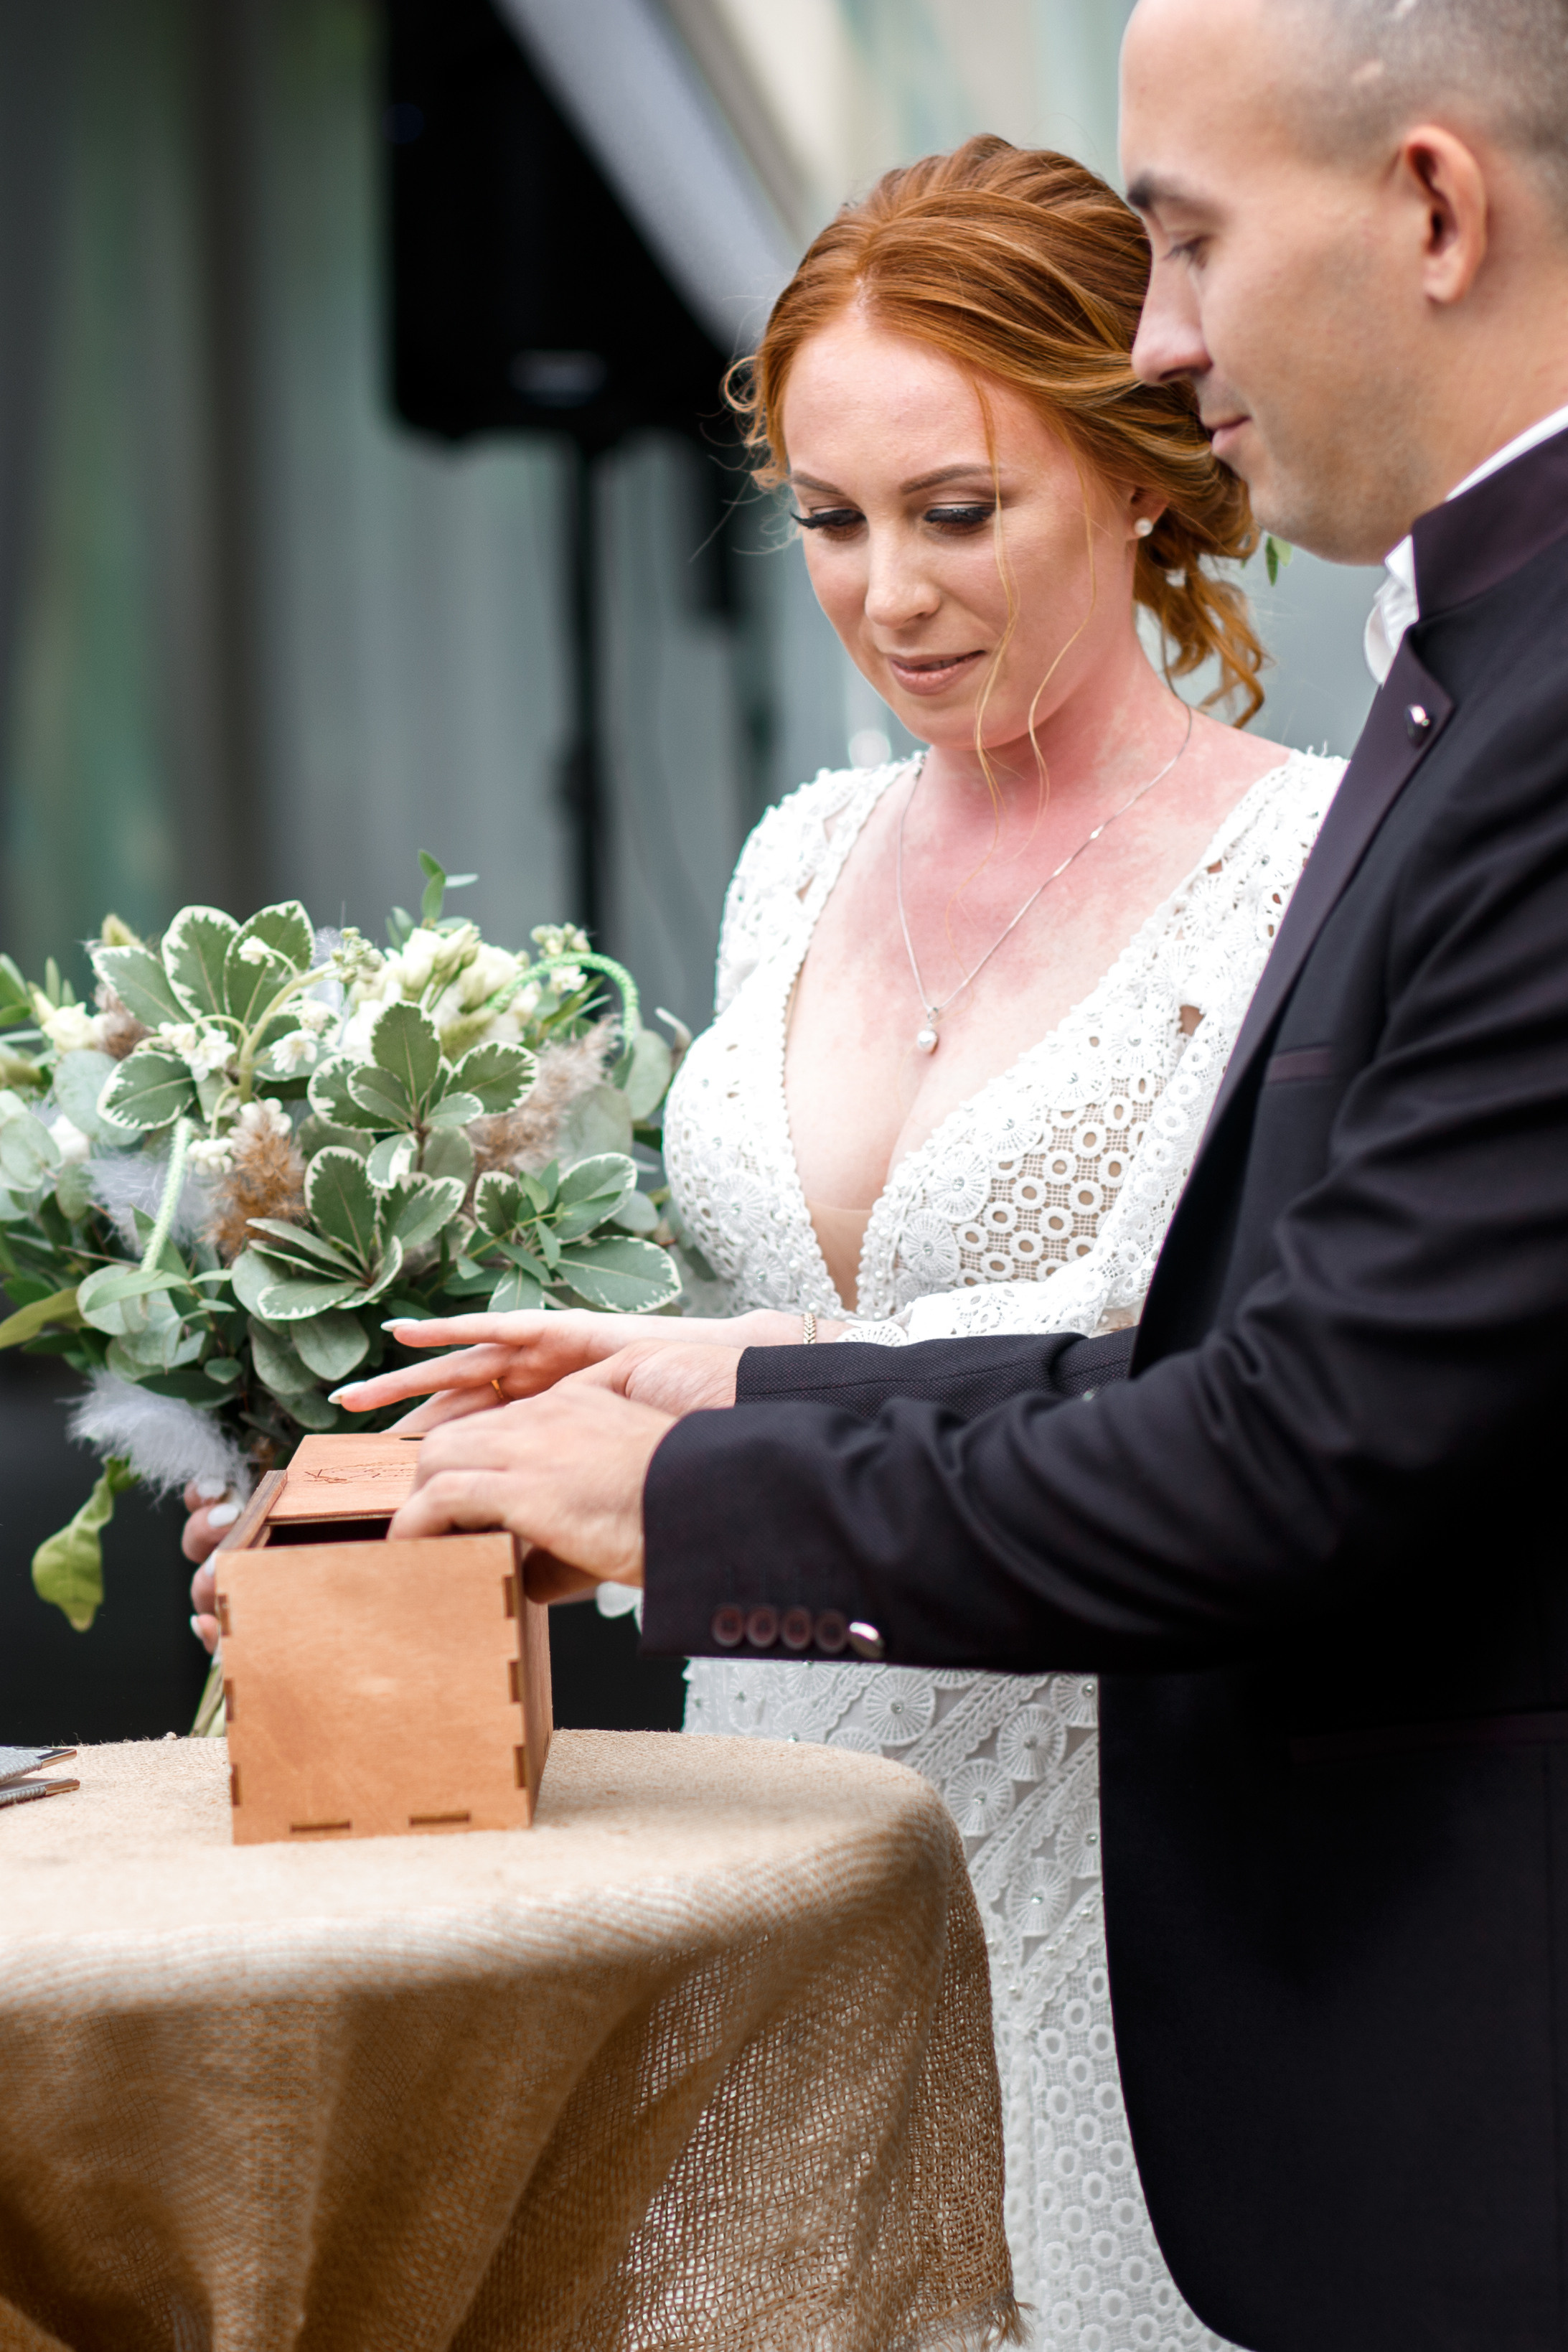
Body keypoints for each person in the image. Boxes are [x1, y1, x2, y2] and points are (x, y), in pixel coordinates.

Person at [334, 0, 1568, 2343]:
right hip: (778, 1795)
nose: (888, 588)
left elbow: (1271, 1432)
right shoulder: (797, 860)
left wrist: (679, 1484)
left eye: (957, 508)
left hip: (1162, 1865)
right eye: (826, 516)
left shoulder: (1366, 806)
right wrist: (682, 1392)